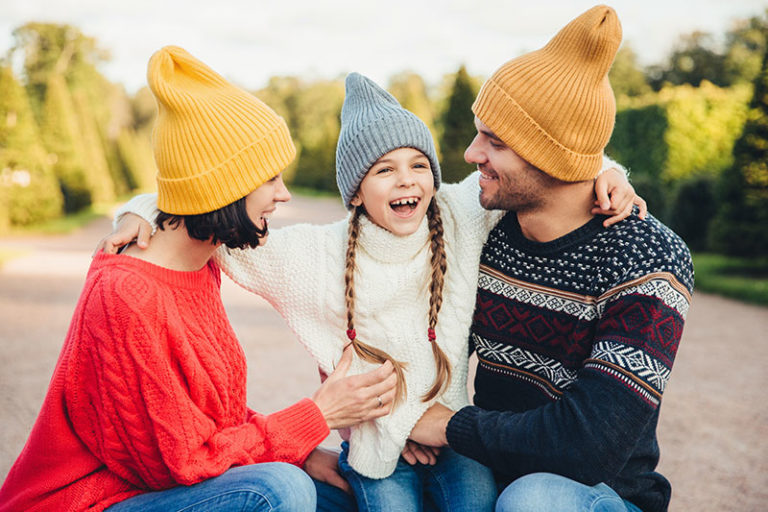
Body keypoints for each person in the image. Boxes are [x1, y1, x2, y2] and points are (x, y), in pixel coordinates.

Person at [104, 70, 642, 511]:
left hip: (455, 432)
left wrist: (607, 170)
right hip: (373, 443)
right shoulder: (312, 256)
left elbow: (549, 166)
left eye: (418, 165)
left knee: (476, 503)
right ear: (355, 192)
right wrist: (140, 209)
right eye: (384, 170)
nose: (407, 180)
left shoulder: (456, 215)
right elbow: (203, 207)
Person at [0, 46, 397, 512]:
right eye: (269, 179)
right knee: (277, 490)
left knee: (343, 489)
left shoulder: (201, 264)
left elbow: (207, 424)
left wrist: (306, 449)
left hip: (161, 488)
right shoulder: (126, 294)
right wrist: (316, 417)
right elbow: (178, 464)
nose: (283, 194)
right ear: (222, 189)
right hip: (90, 501)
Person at [408, 6, 694, 512]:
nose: (472, 154)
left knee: (533, 498)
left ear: (554, 161)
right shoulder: (484, 229)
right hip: (484, 470)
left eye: (494, 142)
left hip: (596, 494)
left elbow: (588, 446)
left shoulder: (648, 256)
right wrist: (401, 420)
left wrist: (446, 424)